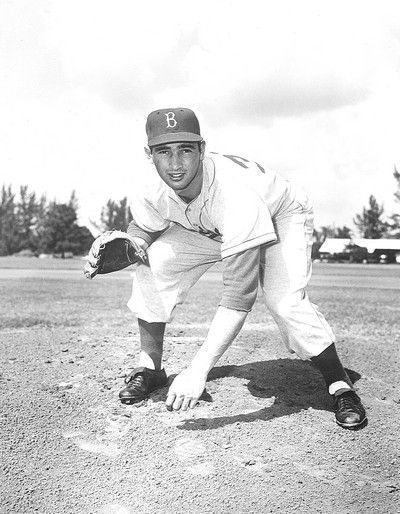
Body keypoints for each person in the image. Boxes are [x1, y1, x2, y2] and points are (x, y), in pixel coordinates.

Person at [118, 107, 366, 429]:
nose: (176, 164)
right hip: (213, 226)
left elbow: (239, 293)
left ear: (202, 149)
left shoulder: (234, 193)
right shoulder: (148, 187)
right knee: (155, 262)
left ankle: (339, 383)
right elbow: (147, 227)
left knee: (284, 302)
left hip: (281, 215)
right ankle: (150, 368)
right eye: (164, 151)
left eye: (186, 150)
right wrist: (130, 243)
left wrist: (198, 370)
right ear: (149, 155)